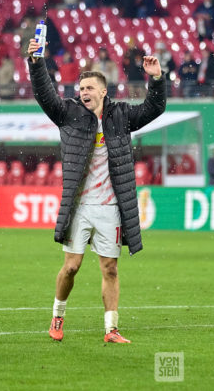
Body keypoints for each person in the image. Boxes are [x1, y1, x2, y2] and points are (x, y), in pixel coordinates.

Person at [26, 36, 165, 344]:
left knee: (110, 269)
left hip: (111, 208)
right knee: (71, 267)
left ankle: (111, 329)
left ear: (104, 91)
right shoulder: (69, 114)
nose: (84, 92)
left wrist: (156, 79)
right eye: (82, 88)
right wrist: (36, 62)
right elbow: (45, 94)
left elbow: (154, 108)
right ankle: (58, 315)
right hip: (79, 206)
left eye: (90, 88)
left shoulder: (121, 116)